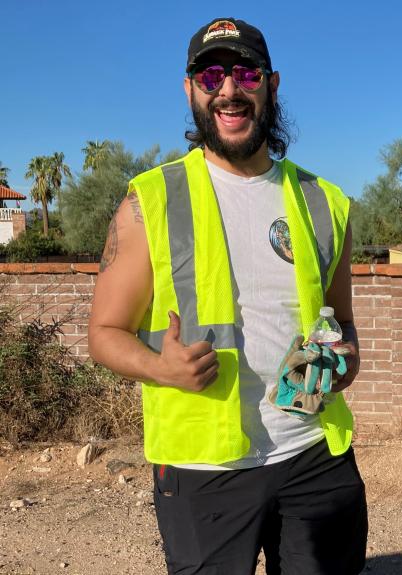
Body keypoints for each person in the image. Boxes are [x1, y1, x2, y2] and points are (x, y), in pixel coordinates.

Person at [88, 17, 367, 575]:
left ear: (272, 83)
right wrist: (161, 369)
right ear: (189, 88)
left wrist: (342, 362)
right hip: (202, 472)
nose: (229, 88)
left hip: (314, 455)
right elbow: (104, 333)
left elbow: (343, 326)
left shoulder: (324, 202)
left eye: (246, 72)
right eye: (211, 73)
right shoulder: (150, 201)